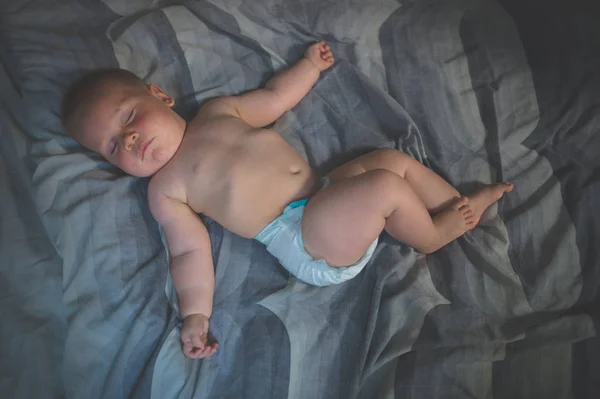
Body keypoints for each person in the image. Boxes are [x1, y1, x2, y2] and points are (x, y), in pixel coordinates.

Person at [61, 40, 513, 359]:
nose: (132, 138)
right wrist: (195, 314)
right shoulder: (165, 190)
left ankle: (456, 204)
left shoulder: (218, 111)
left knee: (390, 161)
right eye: (115, 147)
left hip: (326, 194)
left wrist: (309, 68)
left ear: (159, 95)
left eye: (129, 117)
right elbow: (187, 251)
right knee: (383, 186)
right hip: (304, 239)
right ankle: (433, 236)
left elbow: (274, 98)